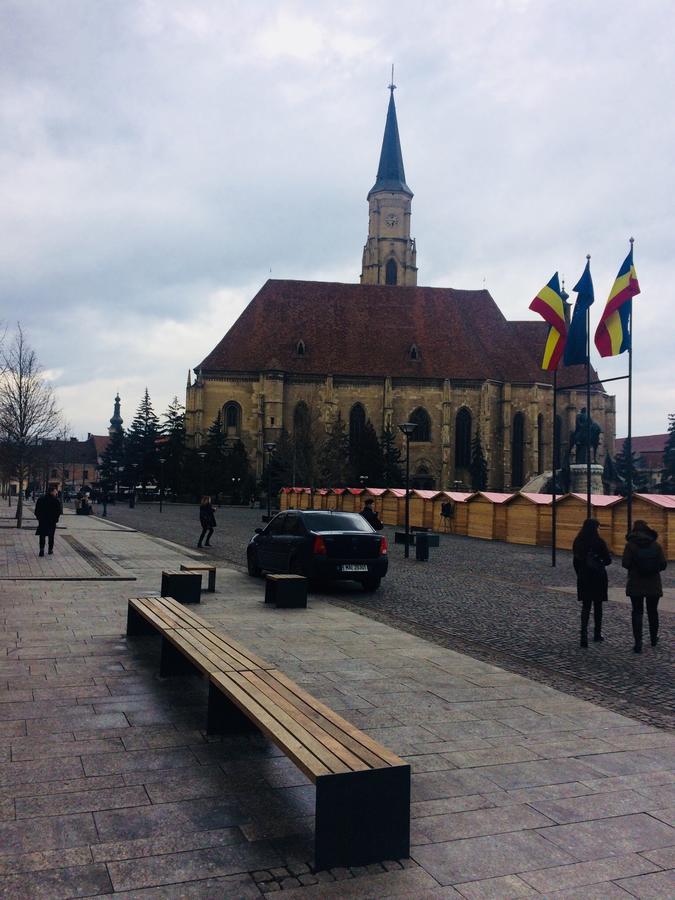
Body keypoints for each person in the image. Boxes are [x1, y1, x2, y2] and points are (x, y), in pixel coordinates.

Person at [622, 519, 667, 653]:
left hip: (636, 583)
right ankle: (653, 639)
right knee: (653, 611)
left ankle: (638, 643)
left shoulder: (630, 545)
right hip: (653, 583)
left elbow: (625, 563)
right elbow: (663, 565)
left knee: (637, 612)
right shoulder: (656, 545)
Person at [572, 518, 612, 647]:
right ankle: (597, 633)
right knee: (598, 606)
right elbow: (608, 560)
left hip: (584, 577)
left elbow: (576, 561)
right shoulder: (599, 542)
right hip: (598, 577)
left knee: (586, 606)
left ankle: (583, 634)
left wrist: (580, 573)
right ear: (595, 528)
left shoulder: (578, 541)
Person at [34, 486, 63, 557]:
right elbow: (58, 512)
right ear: (52, 492)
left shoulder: (41, 499)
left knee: (42, 535)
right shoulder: (56, 500)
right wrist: (56, 519)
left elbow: (37, 510)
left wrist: (39, 518)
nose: (56, 492)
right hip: (52, 521)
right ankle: (50, 550)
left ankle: (41, 550)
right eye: (55, 491)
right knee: (51, 536)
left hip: (43, 520)